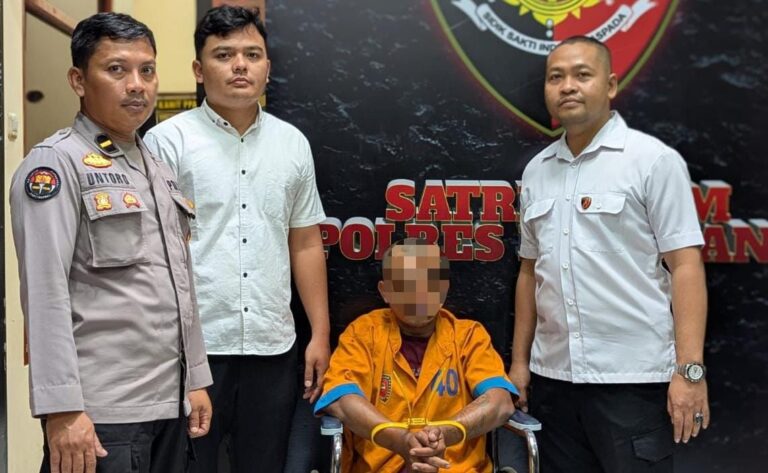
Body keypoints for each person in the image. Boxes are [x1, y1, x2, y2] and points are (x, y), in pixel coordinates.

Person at [10, 12, 212, 473]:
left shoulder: (156, 168)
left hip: (168, 403)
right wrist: (62, 409)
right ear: (78, 80)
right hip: (101, 413)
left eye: (147, 70)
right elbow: (44, 293)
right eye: (116, 69)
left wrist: (195, 378)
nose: (137, 85)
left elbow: (181, 284)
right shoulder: (56, 165)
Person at [508, 36, 709, 472]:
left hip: (632, 383)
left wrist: (690, 371)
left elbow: (686, 266)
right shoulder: (537, 171)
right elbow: (529, 272)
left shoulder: (652, 161)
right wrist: (520, 363)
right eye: (556, 77)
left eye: (582, 74)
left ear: (611, 84)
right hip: (553, 381)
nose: (567, 86)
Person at [143, 6, 330, 472]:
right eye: (224, 55)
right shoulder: (167, 142)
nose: (240, 65)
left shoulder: (292, 143)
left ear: (268, 67)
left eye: (252, 54)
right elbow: (157, 252)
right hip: (194, 350)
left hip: (272, 346)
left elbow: (305, 242)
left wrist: (320, 333)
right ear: (199, 69)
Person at [314, 239, 518, 473]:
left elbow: (500, 403)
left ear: (443, 290)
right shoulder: (363, 334)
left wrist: (445, 434)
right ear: (385, 291)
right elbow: (341, 400)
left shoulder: (469, 336)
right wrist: (399, 440)